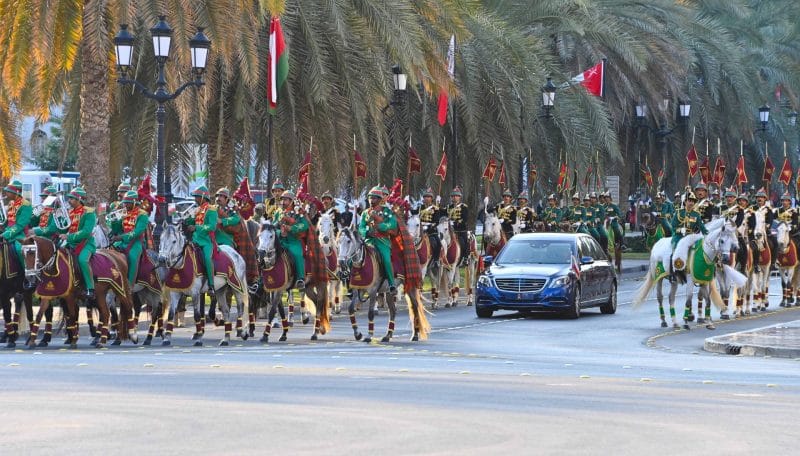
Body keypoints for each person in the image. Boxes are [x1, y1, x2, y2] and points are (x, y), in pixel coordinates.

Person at [60, 187, 97, 299]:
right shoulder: (69, 212)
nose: (69, 201)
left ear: (79, 199)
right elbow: (64, 228)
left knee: (82, 260)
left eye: (71, 199)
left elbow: (86, 232)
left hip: (86, 244)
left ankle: (90, 289)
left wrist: (68, 236)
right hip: (70, 243)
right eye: (69, 198)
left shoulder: (89, 213)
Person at [359, 186, 397, 293]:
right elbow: (361, 227)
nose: (371, 200)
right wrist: (366, 232)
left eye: (374, 198)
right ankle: (352, 281)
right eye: (370, 198)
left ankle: (391, 284)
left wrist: (381, 227)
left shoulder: (387, 211)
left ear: (380, 200)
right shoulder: (365, 213)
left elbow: (392, 224)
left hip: (382, 241)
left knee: (386, 259)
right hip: (368, 241)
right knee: (354, 257)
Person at [183, 186, 218, 293]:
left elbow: (212, 226)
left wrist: (196, 227)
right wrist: (186, 221)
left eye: (197, 197)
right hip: (195, 240)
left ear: (203, 197)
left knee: (207, 258)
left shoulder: (212, 210)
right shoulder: (197, 209)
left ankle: (211, 285)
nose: (195, 199)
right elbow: (193, 222)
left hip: (206, 241)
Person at [110, 190, 148, 286]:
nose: (125, 205)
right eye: (125, 203)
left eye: (128, 203)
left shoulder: (142, 214)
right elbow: (116, 229)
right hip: (122, 241)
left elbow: (137, 232)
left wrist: (121, 237)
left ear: (134, 202)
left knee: (133, 257)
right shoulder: (123, 213)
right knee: (109, 251)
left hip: (136, 242)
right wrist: (114, 220)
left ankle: (129, 286)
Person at [274, 190, 309, 290]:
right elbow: (273, 226)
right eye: (282, 199)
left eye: (285, 199)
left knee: (297, 254)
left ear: (291, 201)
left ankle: (300, 279)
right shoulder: (278, 212)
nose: (283, 202)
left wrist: (291, 228)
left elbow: (304, 225)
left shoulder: (298, 212)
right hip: (280, 241)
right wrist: (280, 232)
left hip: (294, 241)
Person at [670, 191, 708, 273]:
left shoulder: (696, 214)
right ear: (685, 202)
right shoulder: (679, 212)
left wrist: (707, 233)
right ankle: (674, 269)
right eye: (689, 201)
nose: (691, 203)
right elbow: (672, 226)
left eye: (693, 201)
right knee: (675, 247)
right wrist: (679, 230)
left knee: (700, 247)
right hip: (679, 236)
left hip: (691, 236)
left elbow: (701, 226)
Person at [1, 180, 32, 272]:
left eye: (8, 192)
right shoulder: (11, 203)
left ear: (16, 192)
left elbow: (20, 225)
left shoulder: (26, 204)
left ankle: (29, 274)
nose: (5, 193)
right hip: (8, 230)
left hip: (20, 234)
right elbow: (7, 220)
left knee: (20, 250)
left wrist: (6, 234)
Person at [419, 187, 444, 267]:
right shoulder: (420, 207)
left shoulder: (435, 208)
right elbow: (413, 213)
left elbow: (436, 221)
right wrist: (406, 205)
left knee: (438, 244)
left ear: (431, 198)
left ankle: (436, 260)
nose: (426, 198)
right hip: (420, 229)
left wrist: (430, 226)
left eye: (428, 197)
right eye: (425, 197)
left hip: (431, 230)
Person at [447, 186, 470, 266]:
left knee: (464, 243)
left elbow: (465, 219)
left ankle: (465, 258)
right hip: (450, 230)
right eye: (452, 196)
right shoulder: (449, 207)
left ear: (459, 197)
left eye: (456, 196)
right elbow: (443, 215)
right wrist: (437, 203)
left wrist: (456, 222)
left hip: (460, 230)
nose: (454, 197)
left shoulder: (464, 207)